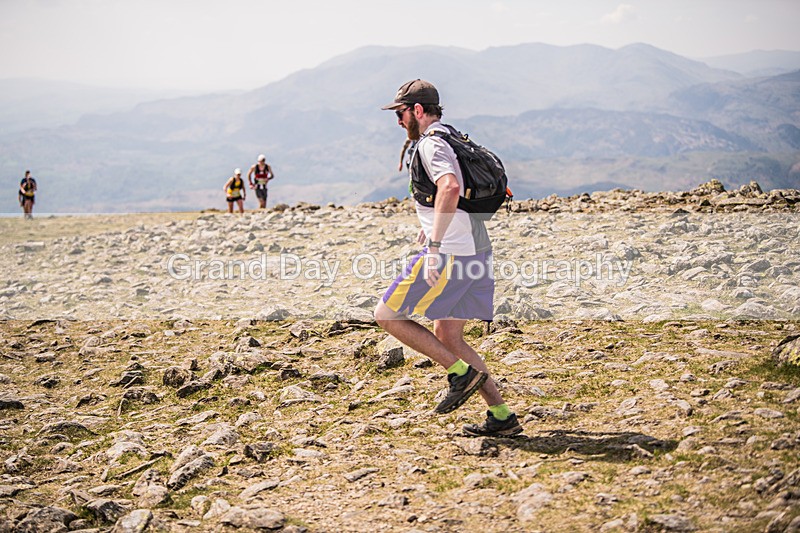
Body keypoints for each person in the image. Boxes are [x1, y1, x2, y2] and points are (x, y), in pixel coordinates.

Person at [375, 79, 523, 437]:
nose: (398, 121)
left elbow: (451, 187)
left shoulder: (431, 144)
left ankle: (460, 375)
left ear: (418, 111)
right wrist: (430, 225)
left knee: (386, 315)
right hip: (476, 249)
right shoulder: (452, 135)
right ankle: (501, 415)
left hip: (452, 253)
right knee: (448, 335)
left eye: (400, 113)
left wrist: (435, 245)